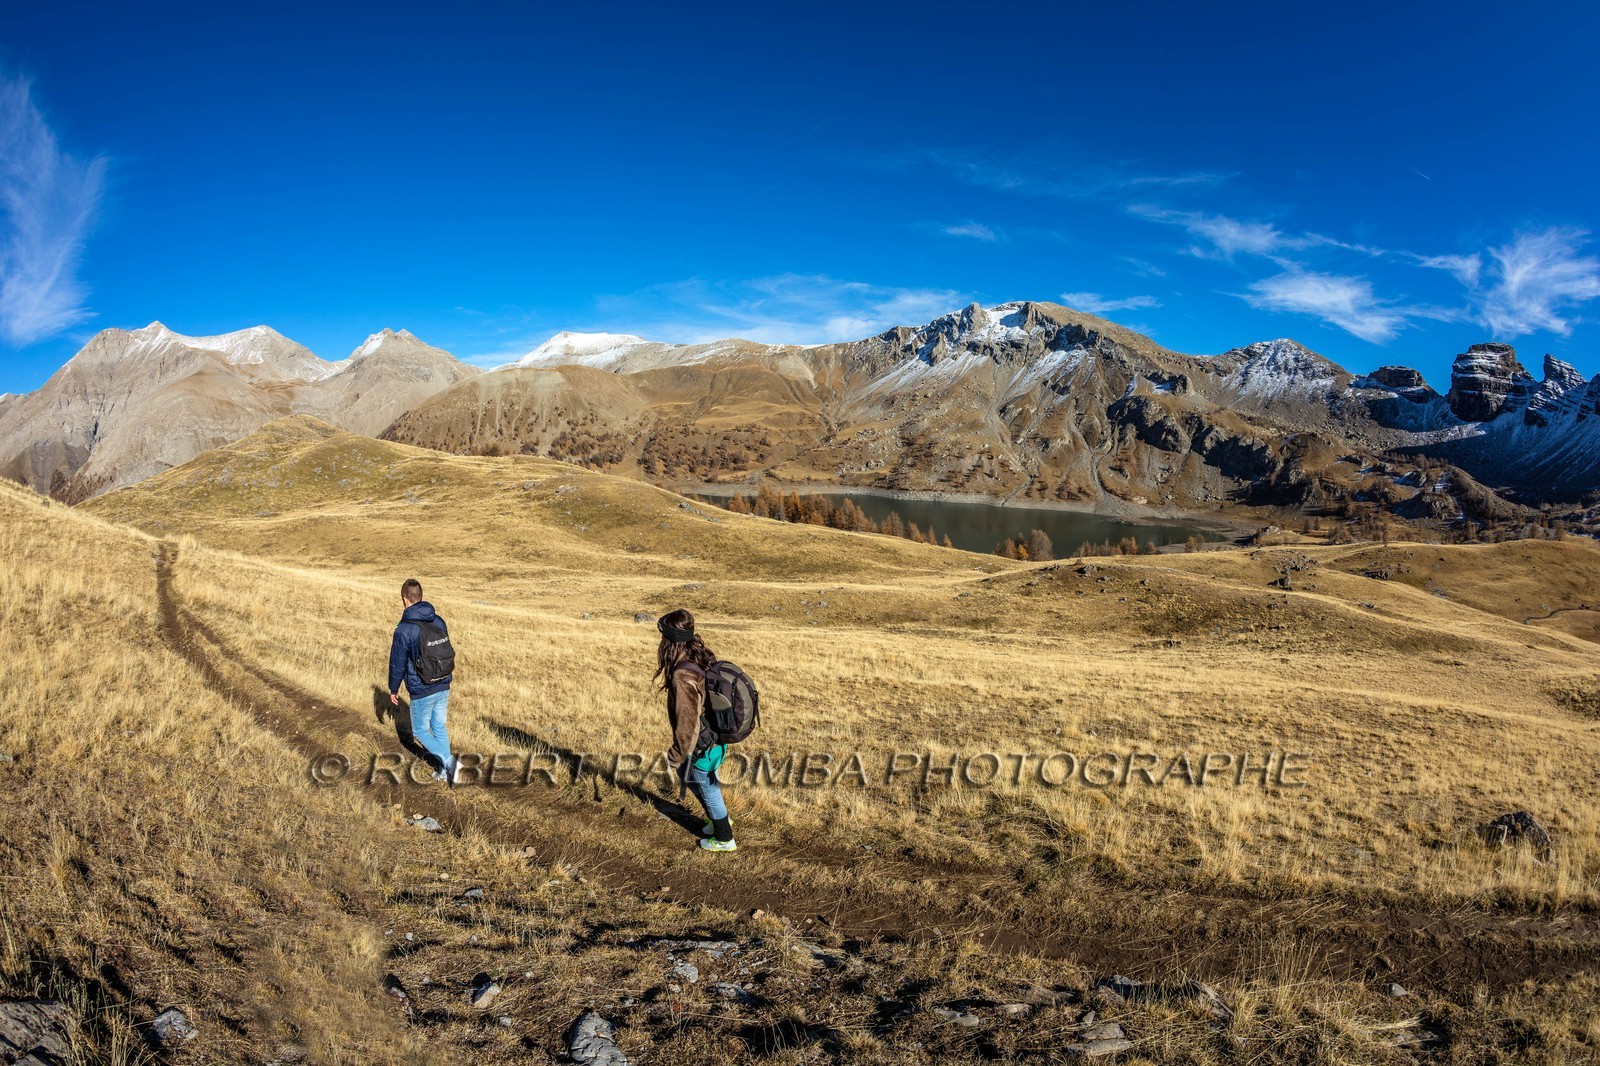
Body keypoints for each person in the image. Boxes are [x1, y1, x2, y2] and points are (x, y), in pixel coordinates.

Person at [655, 609, 736, 852]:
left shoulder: (683, 675)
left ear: (670, 640)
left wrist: (676, 754)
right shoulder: (698, 654)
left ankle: (724, 838)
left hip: (703, 742)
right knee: (688, 773)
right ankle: (717, 818)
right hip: (715, 734)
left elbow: (688, 722)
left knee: (708, 787)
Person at [388, 579, 456, 784]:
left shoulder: (403, 629)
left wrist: (393, 688)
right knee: (438, 726)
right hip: (443, 682)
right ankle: (444, 771)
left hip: (422, 689)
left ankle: (451, 763)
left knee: (419, 730)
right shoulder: (438, 621)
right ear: (421, 597)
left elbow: (398, 662)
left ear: (404, 600)